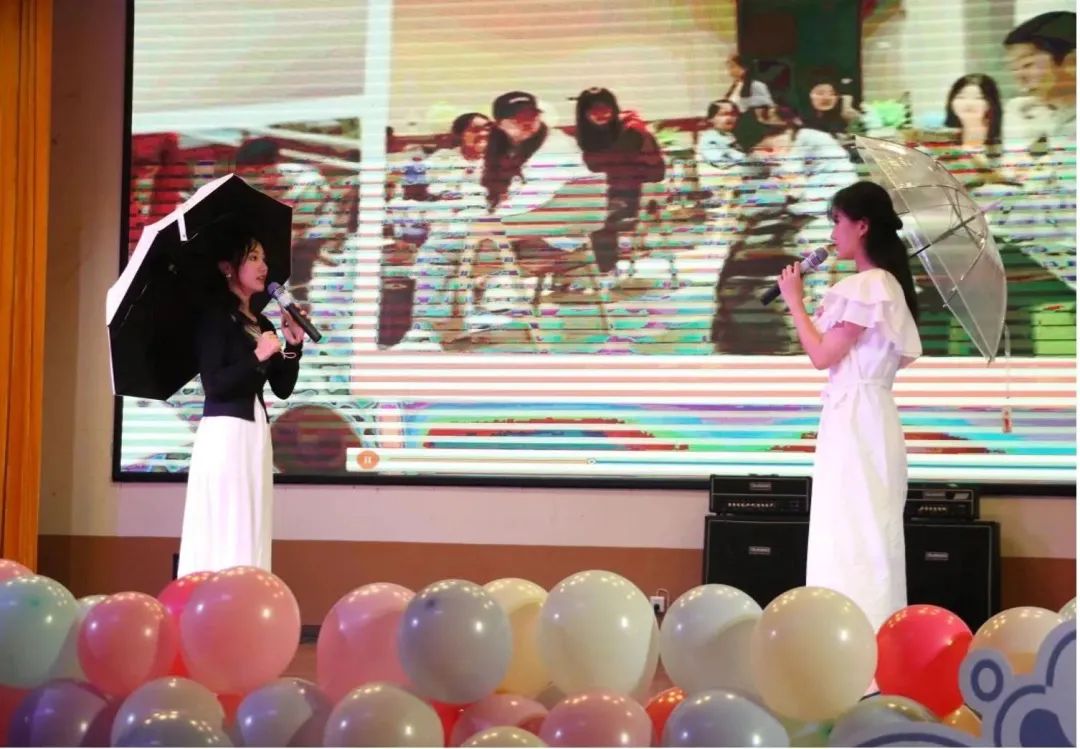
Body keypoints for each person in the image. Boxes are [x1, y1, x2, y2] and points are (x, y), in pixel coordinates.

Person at [776, 180, 923, 632]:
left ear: (862, 226)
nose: (832, 232)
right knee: (861, 532)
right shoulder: (883, 284)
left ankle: (855, 644)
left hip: (859, 420)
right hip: (863, 416)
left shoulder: (869, 284)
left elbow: (823, 355)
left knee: (854, 534)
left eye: (838, 221)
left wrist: (795, 302)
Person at [176, 216, 307, 576]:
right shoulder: (214, 318)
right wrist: (257, 356)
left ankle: (248, 589)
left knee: (253, 518)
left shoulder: (262, 323)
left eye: (264, 258)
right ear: (227, 267)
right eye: (253, 258)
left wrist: (293, 347)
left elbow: (281, 387)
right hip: (225, 433)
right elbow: (214, 385)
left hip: (255, 431)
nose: (263, 267)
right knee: (227, 519)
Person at [574, 87, 666, 272]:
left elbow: (657, 172)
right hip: (596, 196)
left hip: (629, 198)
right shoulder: (586, 137)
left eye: (605, 108)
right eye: (593, 110)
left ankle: (604, 273)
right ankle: (578, 273)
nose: (601, 114)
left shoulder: (632, 132)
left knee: (594, 221)